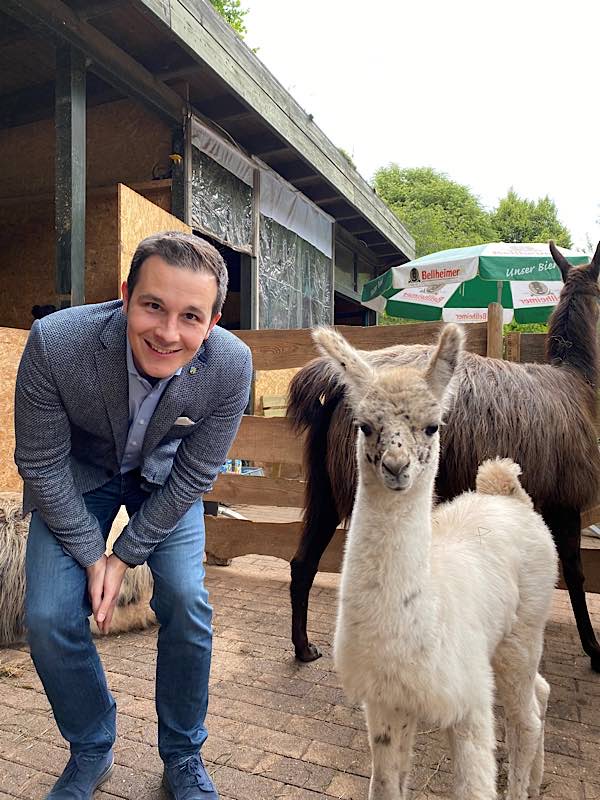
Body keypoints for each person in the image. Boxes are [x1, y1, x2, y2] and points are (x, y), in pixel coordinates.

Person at [14, 231, 252, 800]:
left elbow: (196, 475)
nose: (168, 333)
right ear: (125, 295)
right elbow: (40, 463)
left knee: (187, 600)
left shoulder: (230, 365)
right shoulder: (56, 343)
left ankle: (183, 754)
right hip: (79, 474)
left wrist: (124, 556)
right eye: (153, 306)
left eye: (190, 316)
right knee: (47, 615)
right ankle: (92, 746)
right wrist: (92, 554)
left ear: (213, 322)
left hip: (165, 480)